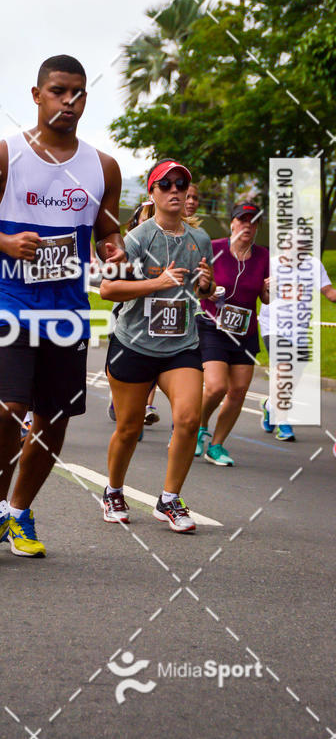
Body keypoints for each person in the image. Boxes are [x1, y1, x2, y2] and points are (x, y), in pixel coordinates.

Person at [0, 54, 124, 561]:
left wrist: (113, 248)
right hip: (11, 300)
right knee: (10, 407)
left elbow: (108, 229)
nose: (69, 102)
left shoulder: (101, 166)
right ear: (37, 94)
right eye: (59, 91)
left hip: (67, 306)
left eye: (78, 93)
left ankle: (21, 511)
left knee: (55, 415)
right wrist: (2, 243)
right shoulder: (4, 155)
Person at [100, 159, 214, 531]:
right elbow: (108, 289)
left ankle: (169, 500)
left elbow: (204, 290)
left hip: (180, 344)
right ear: (152, 193)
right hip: (133, 342)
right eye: (167, 185)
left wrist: (205, 286)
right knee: (130, 428)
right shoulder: (136, 239)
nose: (176, 191)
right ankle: (114, 491)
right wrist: (157, 282)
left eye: (182, 184)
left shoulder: (199, 240)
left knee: (188, 418)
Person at [195, 202, 269, 465]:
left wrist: (270, 290)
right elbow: (195, 287)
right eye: (243, 219)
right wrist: (207, 289)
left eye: (254, 221)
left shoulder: (263, 256)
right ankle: (198, 426)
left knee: (238, 391)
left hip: (245, 330)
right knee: (216, 387)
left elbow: (265, 297)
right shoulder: (213, 248)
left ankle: (216, 445)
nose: (248, 225)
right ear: (233, 223)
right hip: (213, 326)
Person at [259, 255, 336, 440]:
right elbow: (255, 287)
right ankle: (283, 423)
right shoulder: (270, 263)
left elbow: (329, 293)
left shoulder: (314, 265)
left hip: (299, 329)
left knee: (294, 377)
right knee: (283, 371)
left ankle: (270, 405)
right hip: (274, 326)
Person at [106, 201, 158, 426]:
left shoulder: (173, 243)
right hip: (125, 316)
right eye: (146, 218)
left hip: (157, 320)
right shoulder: (128, 246)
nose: (150, 223)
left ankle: (144, 404)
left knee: (156, 358)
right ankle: (122, 402)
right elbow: (108, 287)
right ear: (136, 221)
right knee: (122, 365)